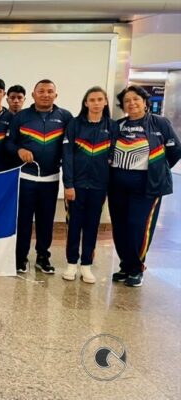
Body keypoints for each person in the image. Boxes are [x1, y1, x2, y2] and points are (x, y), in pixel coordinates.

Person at [109, 85, 180, 287]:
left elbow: (175, 151)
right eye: (127, 101)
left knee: (137, 226)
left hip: (147, 187)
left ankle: (137, 268)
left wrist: (158, 170)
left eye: (136, 99)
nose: (131, 103)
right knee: (120, 227)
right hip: (118, 186)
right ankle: (125, 265)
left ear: (145, 102)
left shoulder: (159, 123)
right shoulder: (118, 125)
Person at [6, 79, 72, 274]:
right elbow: (8, 143)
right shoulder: (21, 117)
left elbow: (70, 147)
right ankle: (20, 258)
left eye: (49, 91)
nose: (45, 94)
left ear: (56, 95)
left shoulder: (65, 117)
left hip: (51, 180)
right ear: (33, 95)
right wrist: (19, 150)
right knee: (23, 220)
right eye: (41, 91)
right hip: (26, 179)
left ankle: (43, 257)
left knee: (46, 220)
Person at [61, 87, 115, 283]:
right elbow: (67, 156)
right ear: (86, 103)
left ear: (105, 102)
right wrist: (68, 184)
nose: (96, 103)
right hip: (76, 186)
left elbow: (114, 155)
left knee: (92, 226)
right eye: (92, 100)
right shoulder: (75, 125)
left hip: (99, 187)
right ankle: (71, 264)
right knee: (74, 225)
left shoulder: (112, 126)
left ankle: (86, 265)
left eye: (100, 99)